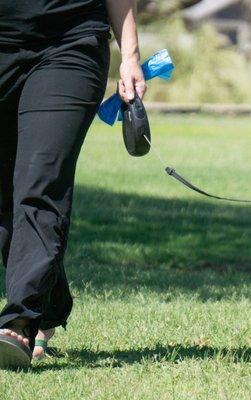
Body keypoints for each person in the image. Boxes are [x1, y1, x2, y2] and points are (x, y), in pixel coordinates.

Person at [0, 0, 146, 368]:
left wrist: (130, 56)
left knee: (42, 178)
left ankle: (19, 317)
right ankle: (51, 301)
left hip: (70, 44)